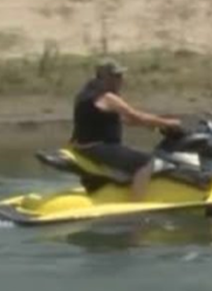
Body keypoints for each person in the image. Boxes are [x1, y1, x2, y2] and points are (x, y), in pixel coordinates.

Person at [70, 60, 182, 202]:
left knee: (130, 160)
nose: (121, 79)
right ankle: (136, 205)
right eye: (117, 76)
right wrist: (169, 122)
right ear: (105, 77)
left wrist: (154, 126)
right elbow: (134, 115)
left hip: (84, 147)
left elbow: (125, 120)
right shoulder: (107, 97)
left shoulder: (86, 94)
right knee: (146, 162)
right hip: (98, 148)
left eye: (121, 75)